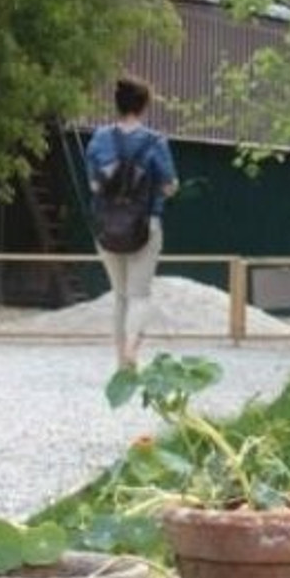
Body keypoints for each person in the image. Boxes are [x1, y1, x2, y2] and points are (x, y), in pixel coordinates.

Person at [85, 76, 179, 372]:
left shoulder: (99, 138)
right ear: (144, 106)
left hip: (106, 227)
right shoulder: (155, 141)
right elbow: (168, 186)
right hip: (144, 226)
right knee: (139, 295)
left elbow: (93, 186)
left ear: (117, 104)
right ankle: (130, 351)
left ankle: (120, 363)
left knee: (120, 297)